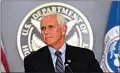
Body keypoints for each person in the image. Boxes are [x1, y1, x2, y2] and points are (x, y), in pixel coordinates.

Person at [24, 13, 103, 73]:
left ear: (63, 30)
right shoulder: (32, 60)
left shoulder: (85, 56)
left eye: (50, 27)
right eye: (43, 28)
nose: (46, 32)